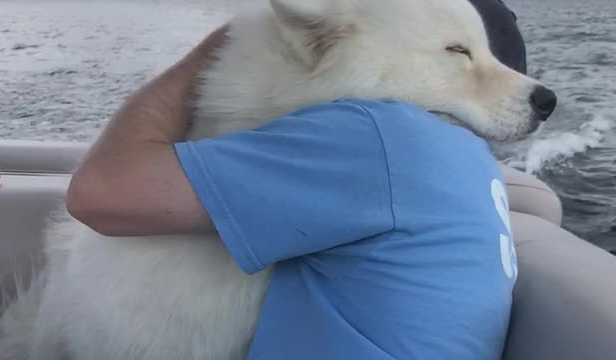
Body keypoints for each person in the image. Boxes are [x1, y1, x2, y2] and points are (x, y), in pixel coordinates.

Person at [66, 0, 528, 358]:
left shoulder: (380, 138)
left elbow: (99, 193)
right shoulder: (471, 165)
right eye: (460, 52)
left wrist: (215, 49)